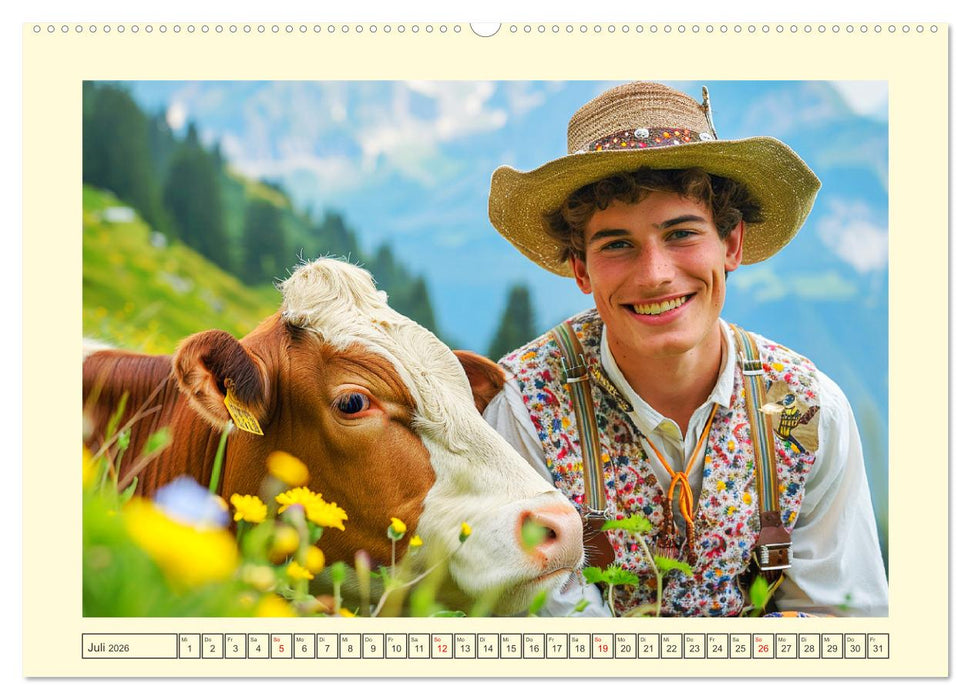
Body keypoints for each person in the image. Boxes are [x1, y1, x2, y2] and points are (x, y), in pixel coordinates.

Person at [483, 81, 888, 617]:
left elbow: (843, 623)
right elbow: (555, 640)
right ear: (580, 267)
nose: (655, 275)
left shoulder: (806, 407)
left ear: (732, 244)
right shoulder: (522, 410)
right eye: (618, 244)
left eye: (681, 234)